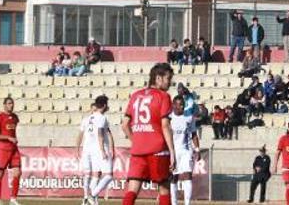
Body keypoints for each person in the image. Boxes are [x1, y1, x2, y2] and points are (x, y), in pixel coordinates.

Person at [121, 63, 176, 205]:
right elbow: (165, 125)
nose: (170, 82)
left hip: (138, 151)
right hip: (158, 150)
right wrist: (172, 151)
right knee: (164, 188)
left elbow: (125, 124)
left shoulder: (135, 95)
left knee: (132, 189)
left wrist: (136, 141)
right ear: (158, 78)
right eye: (168, 78)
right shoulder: (164, 96)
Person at [78, 95, 115, 205]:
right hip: (101, 149)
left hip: (91, 150)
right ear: (104, 105)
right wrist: (103, 150)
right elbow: (100, 134)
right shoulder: (102, 117)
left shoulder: (89, 118)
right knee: (108, 175)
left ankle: (93, 200)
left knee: (95, 175)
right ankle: (92, 195)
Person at [170, 95, 200, 205]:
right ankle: (174, 203)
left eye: (183, 104)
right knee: (173, 177)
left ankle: (187, 203)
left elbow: (193, 134)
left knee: (187, 175)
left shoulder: (189, 117)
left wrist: (197, 149)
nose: (181, 107)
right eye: (179, 104)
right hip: (173, 151)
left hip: (186, 150)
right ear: (174, 105)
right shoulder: (169, 118)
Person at [0, 97, 22, 205]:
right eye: (9, 103)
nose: (11, 105)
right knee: (0, 173)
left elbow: (12, 131)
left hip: (14, 149)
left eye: (12, 103)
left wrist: (12, 139)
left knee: (18, 172)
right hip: (3, 149)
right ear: (4, 105)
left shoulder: (15, 117)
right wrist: (8, 138)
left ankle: (13, 199)